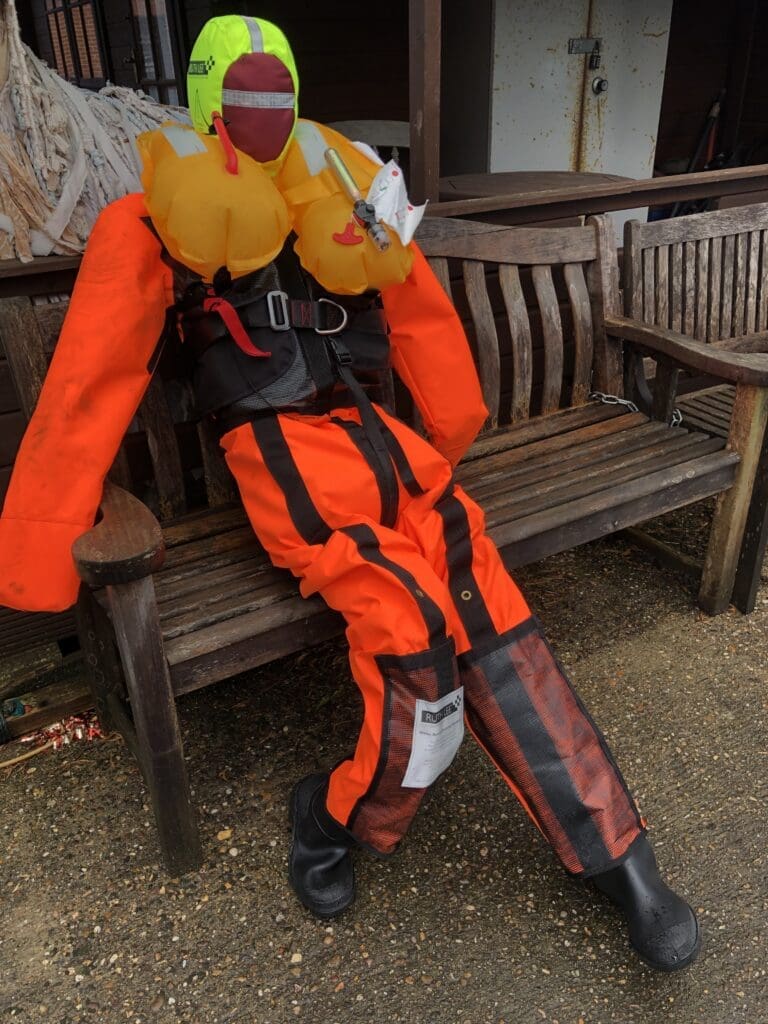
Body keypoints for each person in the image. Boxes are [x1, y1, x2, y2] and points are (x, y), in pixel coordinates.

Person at [0, 15, 699, 971]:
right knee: (413, 633)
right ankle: (334, 817)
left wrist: (451, 427)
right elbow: (88, 384)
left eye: (277, 91)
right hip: (280, 455)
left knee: (483, 596)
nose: (266, 107)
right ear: (210, 102)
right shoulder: (152, 220)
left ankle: (618, 853)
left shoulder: (338, 194)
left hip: (383, 439)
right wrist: (41, 554)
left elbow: (417, 309)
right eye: (247, 93)